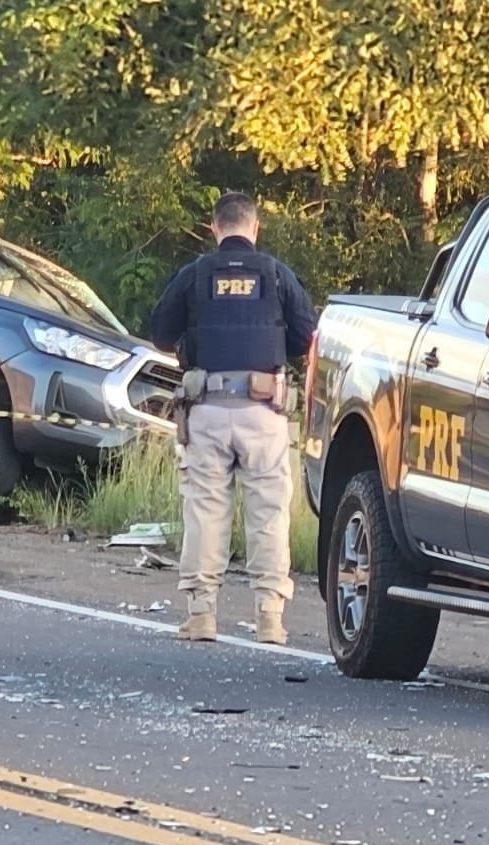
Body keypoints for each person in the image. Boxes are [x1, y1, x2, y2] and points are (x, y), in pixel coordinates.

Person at [148, 191, 318, 645]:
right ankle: (269, 619)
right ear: (255, 228)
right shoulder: (277, 275)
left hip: (206, 408)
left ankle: (202, 615)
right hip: (265, 411)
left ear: (214, 228)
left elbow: (160, 332)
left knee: (205, 511)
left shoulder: (195, 274)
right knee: (268, 513)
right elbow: (307, 338)